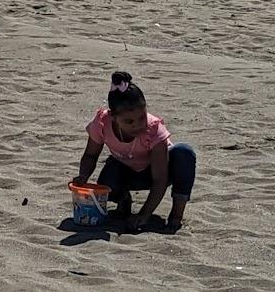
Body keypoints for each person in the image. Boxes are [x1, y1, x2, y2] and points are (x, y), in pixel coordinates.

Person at [72, 71, 196, 233]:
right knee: (107, 182)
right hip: (127, 170)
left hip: (161, 171)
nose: (137, 125)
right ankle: (123, 200)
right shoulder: (102, 123)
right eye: (129, 121)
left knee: (184, 153)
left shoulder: (153, 129)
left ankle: (176, 214)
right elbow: (90, 155)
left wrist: (144, 215)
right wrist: (83, 176)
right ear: (114, 118)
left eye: (141, 118)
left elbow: (160, 179)